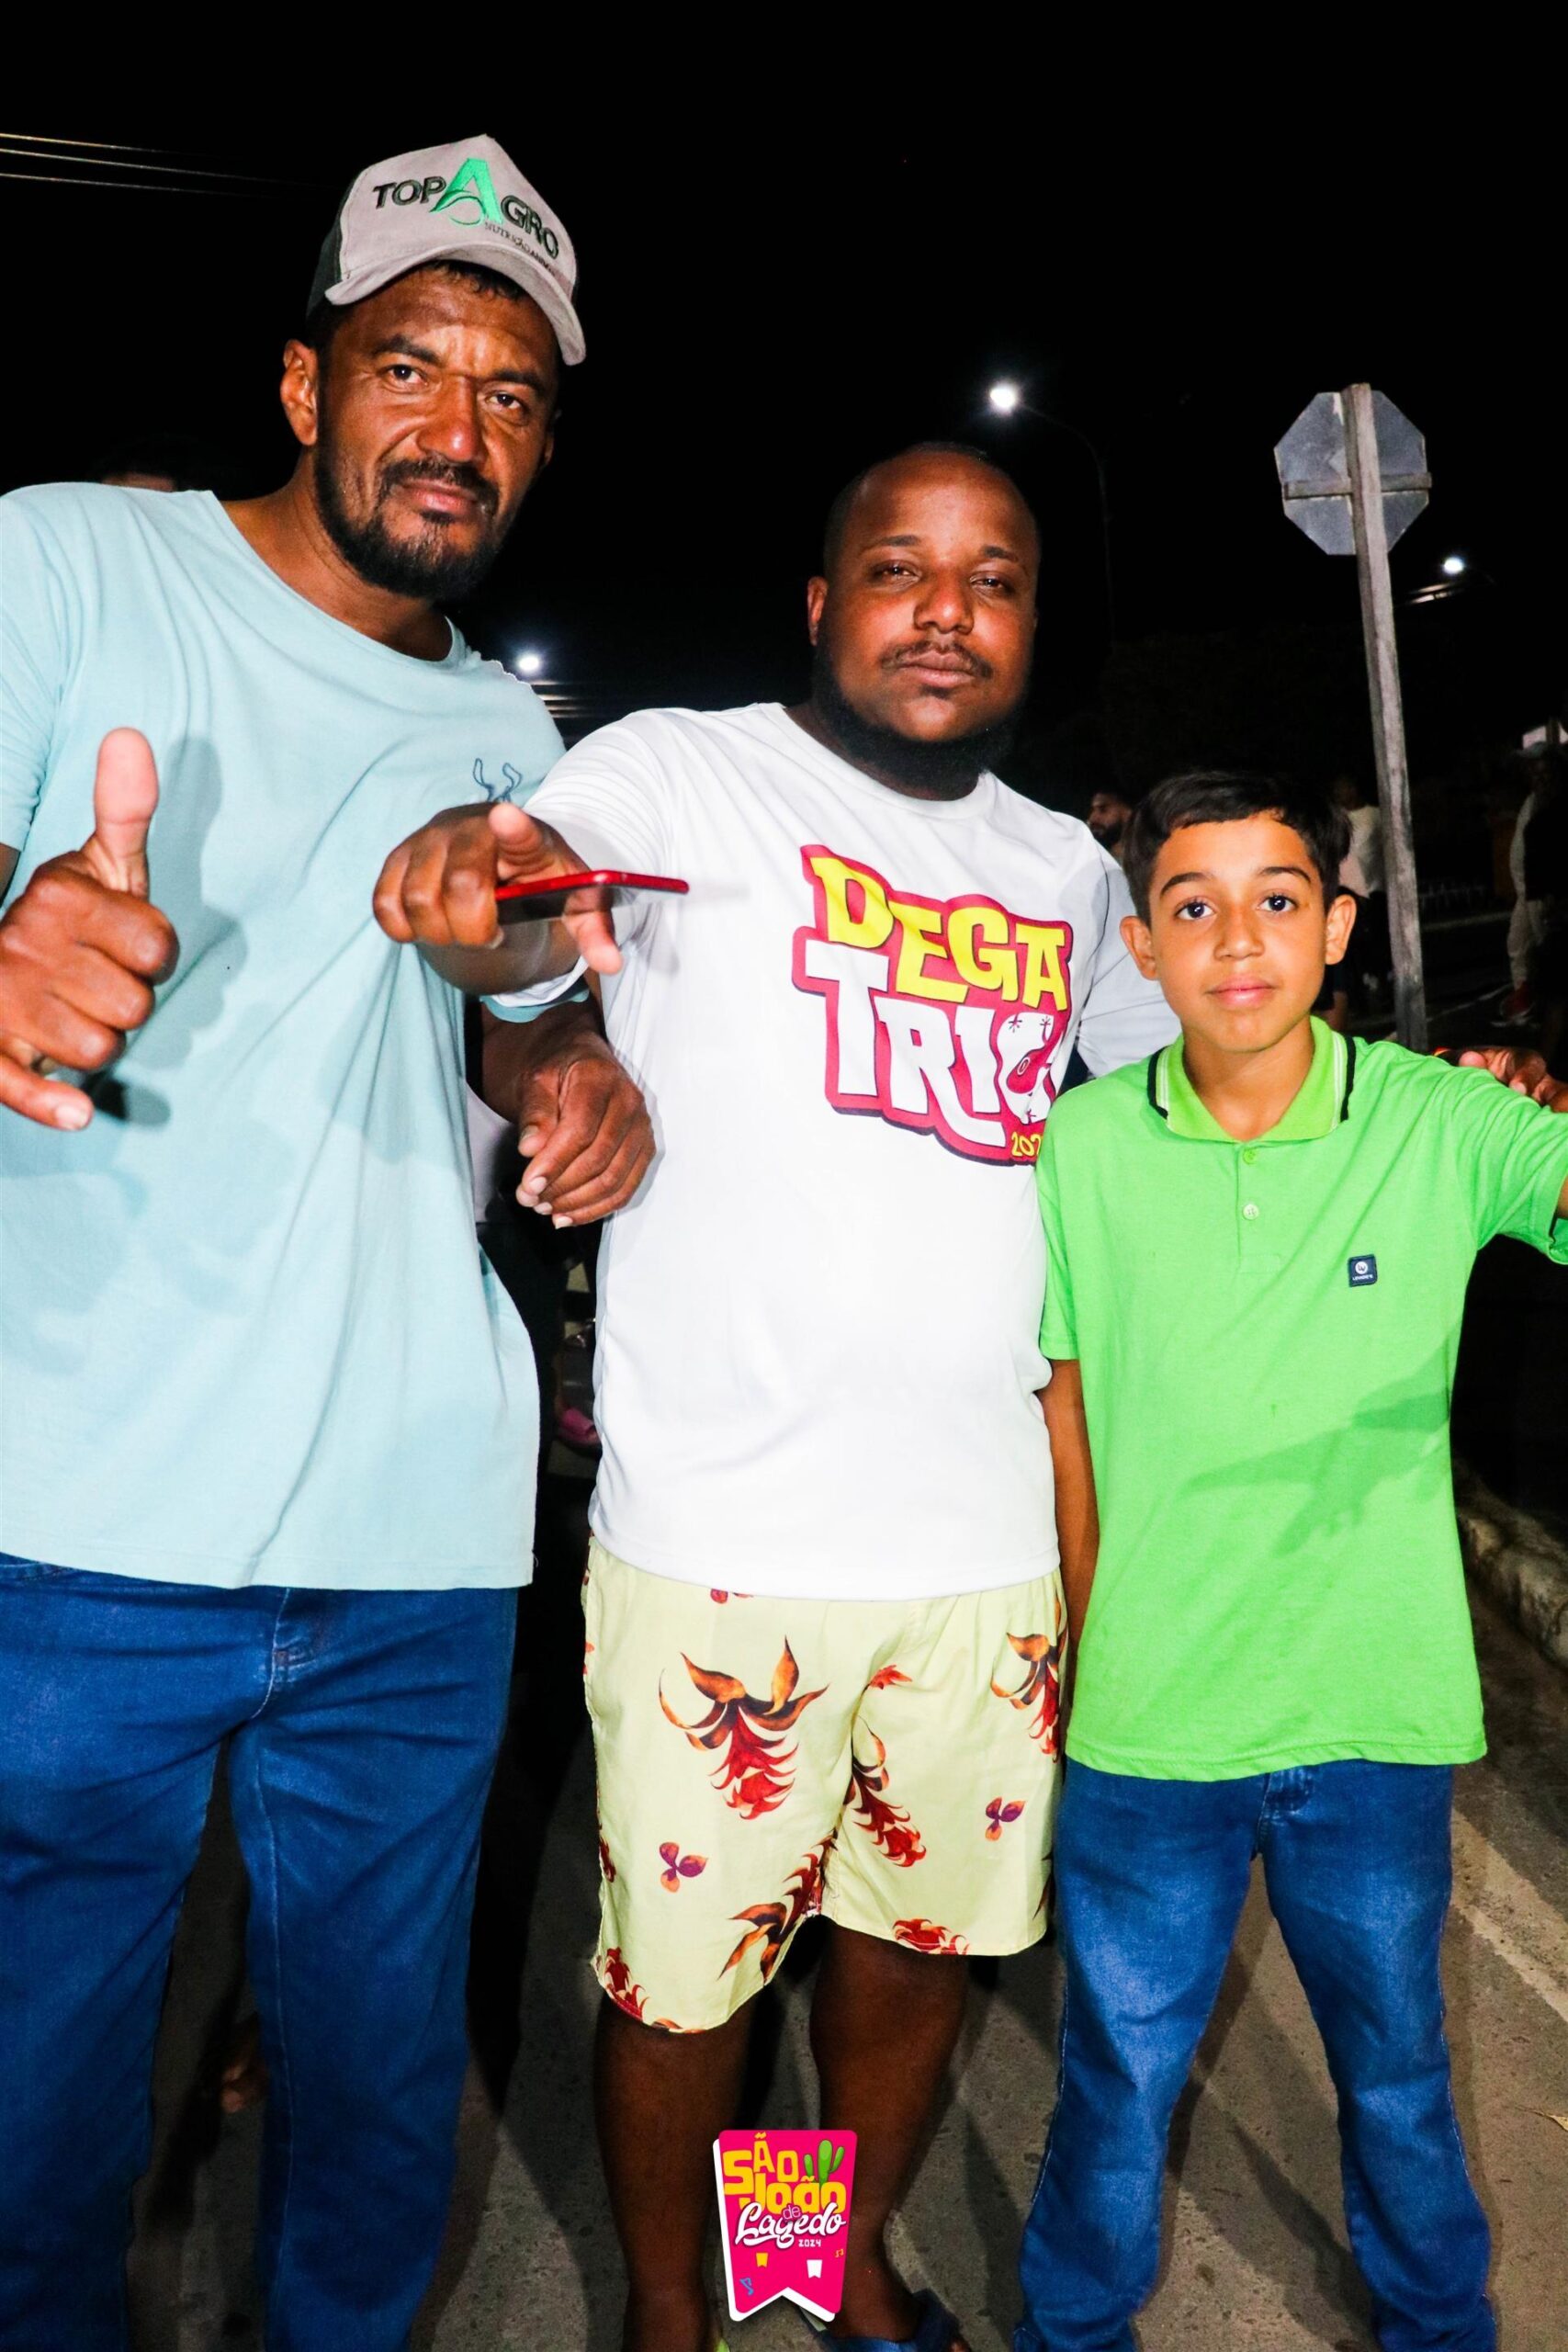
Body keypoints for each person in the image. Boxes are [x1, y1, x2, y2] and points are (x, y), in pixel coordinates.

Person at [380, 442, 1180, 2352]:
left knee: (906, 1962)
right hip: (717, 1547)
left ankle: (811, 2257)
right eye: (900, 568)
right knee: (688, 1987)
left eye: (993, 578)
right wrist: (481, 887)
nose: (946, 610)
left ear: (1029, 625)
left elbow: (1196, 1098)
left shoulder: (1064, 872)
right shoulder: (681, 769)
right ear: (823, 607)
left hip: (983, 1553)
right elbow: (523, 915)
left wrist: (1436, 1098)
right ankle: (672, 2308)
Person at [0, 133, 649, 2349]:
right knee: (32, 2125)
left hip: (411, 1533)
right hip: (75, 1522)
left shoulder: (500, 725)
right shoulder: (68, 562)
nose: (456, 425)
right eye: (409, 365)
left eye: (508, 392)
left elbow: (504, 1014)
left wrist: (558, 1061)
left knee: (373, 2122)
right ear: (303, 384)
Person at [1016, 771, 1568, 2352]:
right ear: (1138, 947)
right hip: (1149, 1721)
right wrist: (1084, 1655)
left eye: (1275, 900)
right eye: (1189, 906)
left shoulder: (1438, 1119)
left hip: (1371, 1708)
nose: (1235, 939)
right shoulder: (1079, 1146)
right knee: (1116, 2068)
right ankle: (1070, 2327)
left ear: (1337, 925)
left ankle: (1438, 2323)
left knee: (1394, 2062)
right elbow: (1066, 1409)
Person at [1086, 784, 1133, 865]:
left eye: (1103, 810)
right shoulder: (1091, 862)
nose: (1092, 818)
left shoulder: (1151, 858)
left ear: (1128, 812)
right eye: (1092, 811)